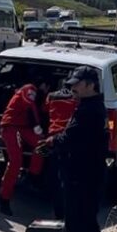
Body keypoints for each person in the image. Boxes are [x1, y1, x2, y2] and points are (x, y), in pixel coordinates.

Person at [37, 66, 107, 232]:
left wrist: (52, 141)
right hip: (83, 174)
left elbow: (71, 138)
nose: (72, 88)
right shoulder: (86, 106)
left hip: (83, 176)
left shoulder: (89, 110)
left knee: (80, 223)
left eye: (77, 84)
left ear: (90, 85)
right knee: (84, 222)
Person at [0, 73, 50, 216]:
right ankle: (4, 198)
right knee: (16, 161)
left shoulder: (38, 96)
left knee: (41, 145)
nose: (47, 90)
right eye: (46, 86)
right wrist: (37, 126)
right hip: (10, 125)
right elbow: (30, 107)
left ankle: (33, 175)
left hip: (23, 126)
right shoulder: (29, 89)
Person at [41, 82, 78, 221]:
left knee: (55, 177)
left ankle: (58, 212)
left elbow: (44, 110)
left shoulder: (51, 96)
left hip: (52, 139)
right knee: (68, 177)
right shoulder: (76, 99)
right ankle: (67, 212)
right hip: (67, 140)